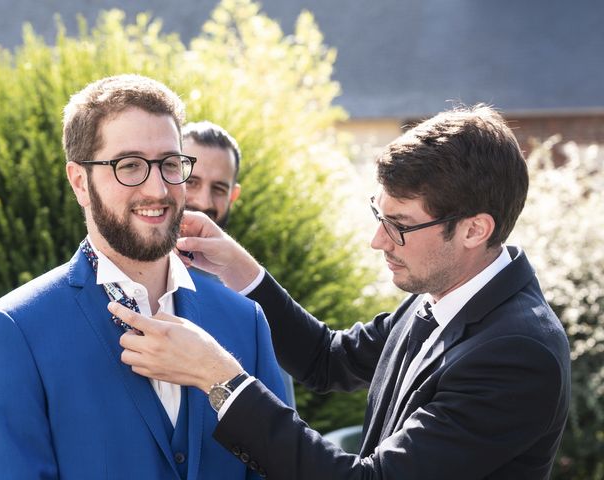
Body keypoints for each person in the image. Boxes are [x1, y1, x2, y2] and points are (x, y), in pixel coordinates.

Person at [112, 105, 572, 479]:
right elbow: (328, 360)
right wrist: (241, 268)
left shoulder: (518, 355)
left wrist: (220, 379)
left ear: (475, 230)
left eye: (401, 226)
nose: (379, 240)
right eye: (380, 215)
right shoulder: (445, 292)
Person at [0, 74, 286, 479]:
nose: (157, 189)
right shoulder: (14, 331)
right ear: (81, 182)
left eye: (171, 164)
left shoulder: (245, 321)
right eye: (130, 166)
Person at [182, 120, 296, 408]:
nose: (203, 201)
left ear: (234, 195)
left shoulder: (251, 301)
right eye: (191, 182)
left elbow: (279, 418)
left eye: (218, 188)